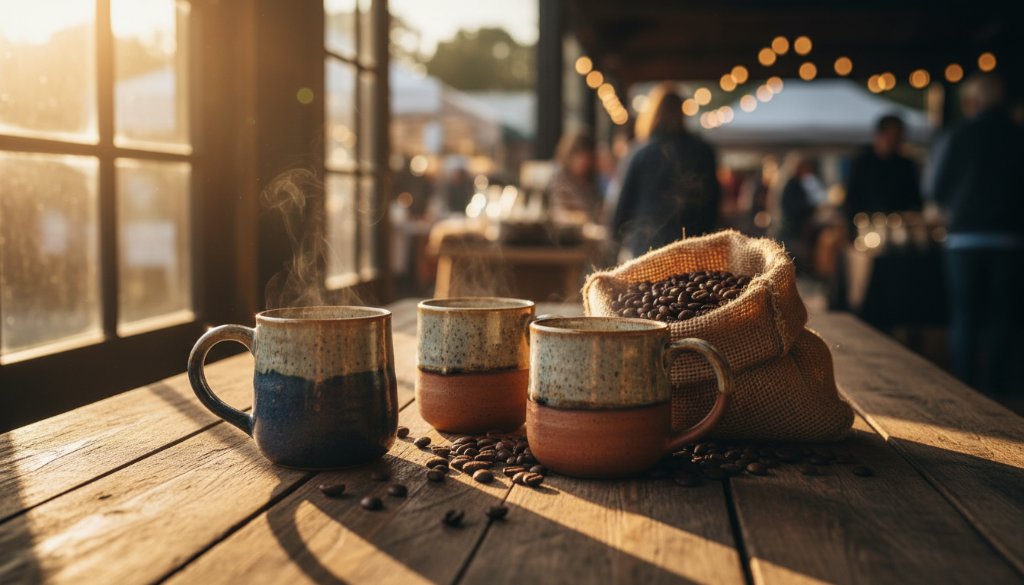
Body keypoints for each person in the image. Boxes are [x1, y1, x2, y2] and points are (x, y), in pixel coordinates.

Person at [930, 74, 1024, 398]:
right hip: (1010, 238)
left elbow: (935, 188)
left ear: (972, 102)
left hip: (964, 239)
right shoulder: (1017, 135)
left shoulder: (958, 134)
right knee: (1002, 314)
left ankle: (965, 387)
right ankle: (998, 387)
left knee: (965, 313)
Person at [612, 84, 720, 257]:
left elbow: (622, 205)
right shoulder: (702, 152)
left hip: (645, 248)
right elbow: (712, 203)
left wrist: (615, 238)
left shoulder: (640, 152)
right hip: (692, 246)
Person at [844, 114, 923, 226]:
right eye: (891, 136)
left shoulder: (906, 166)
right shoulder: (862, 163)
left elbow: (915, 202)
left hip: (899, 228)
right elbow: (851, 200)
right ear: (879, 135)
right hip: (867, 226)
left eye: (898, 137)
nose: (894, 141)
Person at [545, 130, 601, 221]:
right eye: (580, 156)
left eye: (588, 158)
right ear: (570, 154)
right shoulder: (559, 179)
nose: (584, 162)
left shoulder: (591, 179)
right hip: (565, 232)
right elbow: (558, 213)